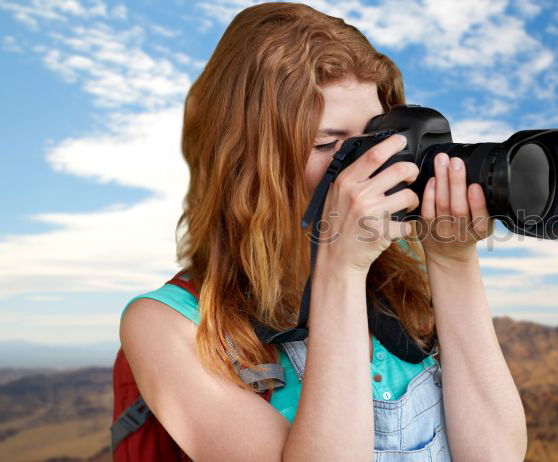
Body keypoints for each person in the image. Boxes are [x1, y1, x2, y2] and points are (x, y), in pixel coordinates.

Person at [118, 3, 527, 460]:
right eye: (327, 144)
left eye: (374, 139)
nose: (365, 165)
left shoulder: (400, 279)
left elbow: (497, 456)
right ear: (245, 162)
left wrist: (453, 262)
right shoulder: (168, 326)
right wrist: (340, 270)